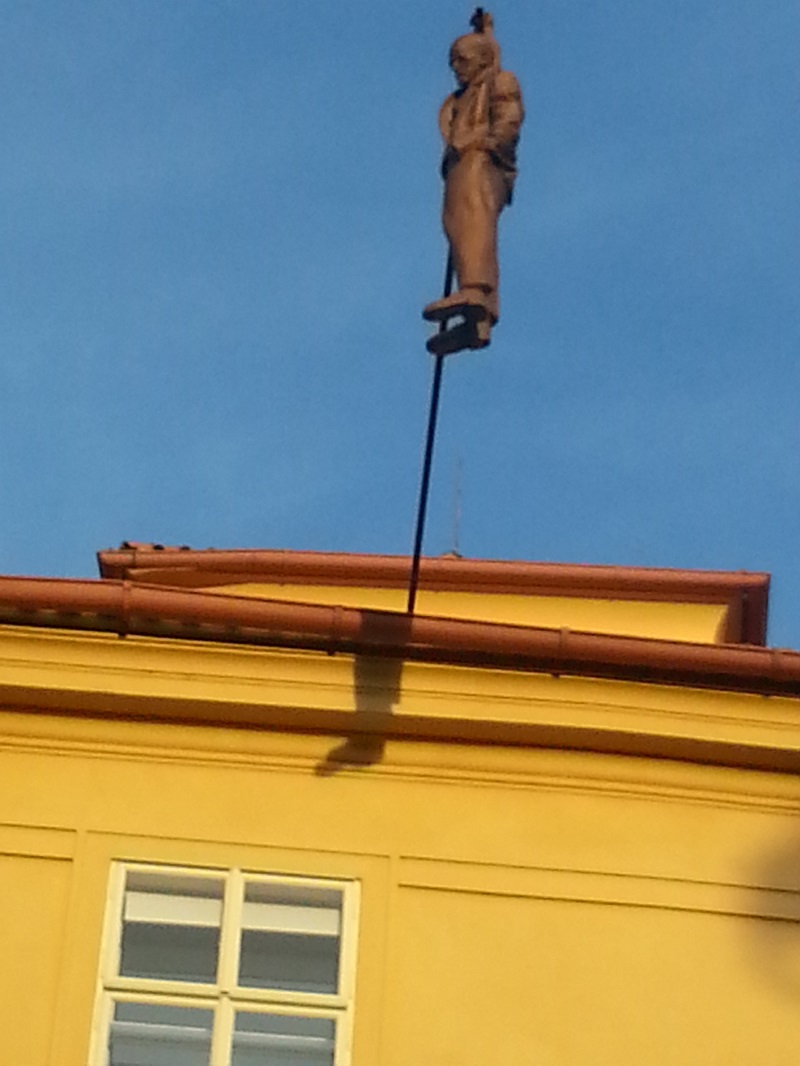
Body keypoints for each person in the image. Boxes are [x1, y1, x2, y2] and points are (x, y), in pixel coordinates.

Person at [423, 10, 524, 356]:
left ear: (480, 61)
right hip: (461, 164)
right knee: (456, 226)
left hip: (480, 162)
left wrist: (488, 144)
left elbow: (508, 118)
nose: (456, 68)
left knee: (474, 221)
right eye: (453, 62)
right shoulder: (467, 94)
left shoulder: (499, 82)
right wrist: (487, 34)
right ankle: (477, 322)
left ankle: (475, 290)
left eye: (462, 60)